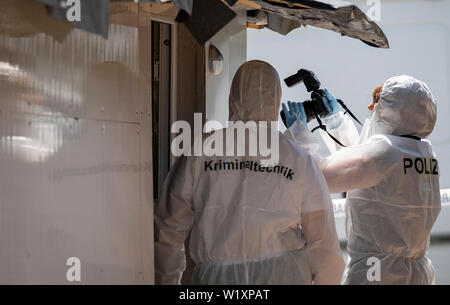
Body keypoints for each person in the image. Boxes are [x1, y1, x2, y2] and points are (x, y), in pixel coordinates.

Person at [154, 60, 345, 285]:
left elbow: (168, 228)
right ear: (275, 100)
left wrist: (166, 281)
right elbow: (324, 242)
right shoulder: (298, 158)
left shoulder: (200, 151)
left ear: (233, 97)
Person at [284, 75, 441, 284]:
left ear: (395, 110)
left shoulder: (384, 153)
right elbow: (360, 169)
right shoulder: (424, 153)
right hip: (417, 272)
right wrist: (336, 121)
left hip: (377, 273)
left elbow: (318, 177)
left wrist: (299, 133)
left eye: (377, 102)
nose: (370, 106)